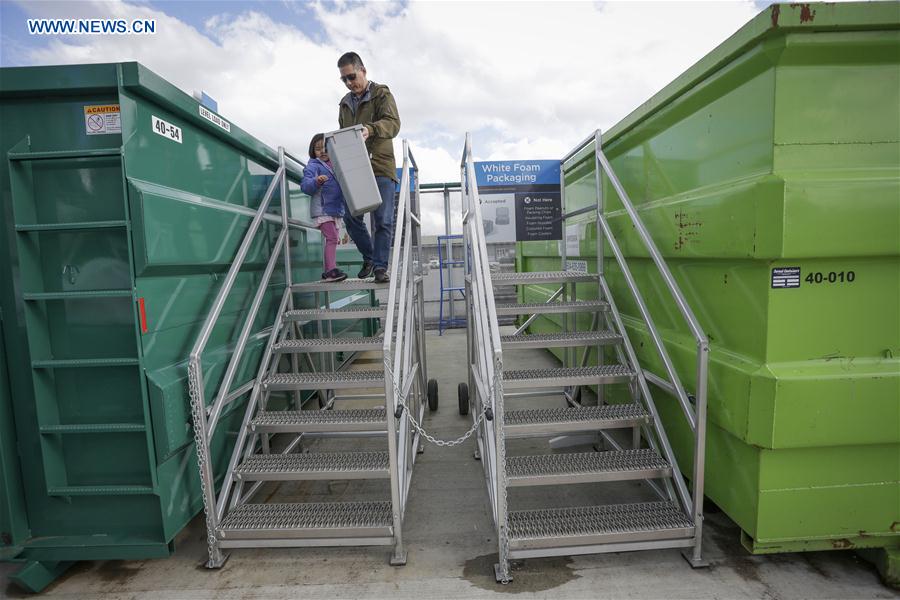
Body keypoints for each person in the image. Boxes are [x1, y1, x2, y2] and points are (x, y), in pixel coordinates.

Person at [337, 51, 401, 283]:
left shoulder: (381, 93)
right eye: (344, 79)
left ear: (363, 70)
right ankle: (370, 257)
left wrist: (370, 129)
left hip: (381, 165)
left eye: (352, 76)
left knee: (382, 220)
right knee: (351, 217)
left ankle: (381, 267)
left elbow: (393, 124)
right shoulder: (344, 104)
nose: (349, 82)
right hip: (355, 169)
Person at [301, 133, 348, 283]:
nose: (322, 151)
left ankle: (330, 269)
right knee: (332, 238)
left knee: (333, 239)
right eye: (318, 149)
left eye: (326, 147)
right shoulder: (313, 166)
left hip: (334, 210)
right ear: (313, 151)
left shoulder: (336, 165)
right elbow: (305, 186)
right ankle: (330, 271)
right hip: (323, 209)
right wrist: (316, 181)